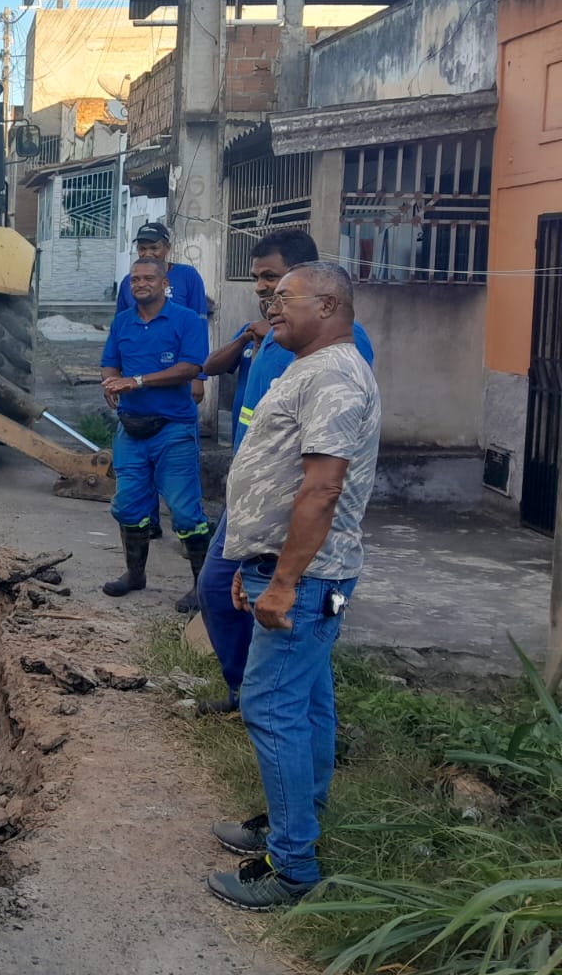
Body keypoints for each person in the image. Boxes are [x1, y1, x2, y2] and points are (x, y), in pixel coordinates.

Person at [206, 262, 381, 911]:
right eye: (270, 298)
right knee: (306, 703)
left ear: (329, 304)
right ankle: (292, 824)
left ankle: (293, 868)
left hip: (305, 576)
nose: (270, 308)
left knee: (270, 706)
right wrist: (253, 564)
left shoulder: (333, 375)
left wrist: (280, 581)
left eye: (285, 298)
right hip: (290, 568)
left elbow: (322, 488)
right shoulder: (309, 367)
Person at [194, 230, 375, 715]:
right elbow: (211, 369)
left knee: (234, 598)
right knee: (221, 592)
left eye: (275, 283)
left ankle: (258, 698)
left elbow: (325, 467)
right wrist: (251, 335)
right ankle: (259, 695)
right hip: (255, 498)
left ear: (321, 300)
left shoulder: (336, 349)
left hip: (287, 506)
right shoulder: (276, 332)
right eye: (260, 283)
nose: (265, 294)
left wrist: (283, 570)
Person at [98, 257, 213, 603]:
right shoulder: (122, 322)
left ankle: (202, 588)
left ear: (164, 284)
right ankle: (135, 575)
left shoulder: (187, 320)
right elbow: (110, 362)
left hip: (172, 430)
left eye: (148, 278)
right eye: (134, 279)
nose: (140, 284)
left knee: (185, 511)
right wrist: (109, 382)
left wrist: (137, 381)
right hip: (130, 430)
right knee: (129, 505)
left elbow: (191, 367)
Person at [115, 221, 211, 541]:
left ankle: (187, 524)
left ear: (167, 248)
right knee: (138, 466)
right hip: (137, 393)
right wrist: (115, 376)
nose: (148, 253)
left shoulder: (188, 278)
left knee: (177, 460)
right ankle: (149, 522)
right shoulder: (130, 283)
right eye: (143, 248)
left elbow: (199, 321)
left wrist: (199, 376)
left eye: (154, 247)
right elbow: (120, 326)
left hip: (176, 380)